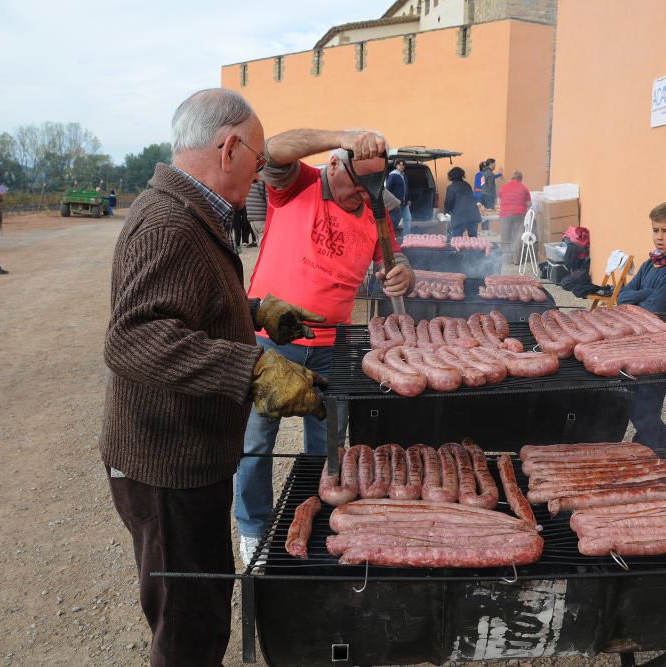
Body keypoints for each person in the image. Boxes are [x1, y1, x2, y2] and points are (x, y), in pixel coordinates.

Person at [100, 88, 330, 666]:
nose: (259, 173)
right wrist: (249, 365)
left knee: (200, 604)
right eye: (257, 159)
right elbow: (134, 339)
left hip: (186, 459)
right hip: (166, 466)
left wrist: (252, 313)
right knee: (189, 627)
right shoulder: (169, 224)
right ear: (228, 148)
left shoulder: (191, 211)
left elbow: (183, 307)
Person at [233, 128, 416, 564]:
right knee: (257, 442)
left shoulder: (375, 210)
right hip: (272, 339)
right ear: (334, 165)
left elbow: (394, 258)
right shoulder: (298, 184)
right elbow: (273, 150)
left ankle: (313, 517)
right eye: (356, 184)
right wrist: (344, 134)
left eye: (372, 187)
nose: (363, 195)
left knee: (330, 447)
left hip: (335, 345)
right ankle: (254, 527)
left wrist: (403, 273)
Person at [617, 202, 666, 455]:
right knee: (636, 399)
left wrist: (641, 296)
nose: (659, 237)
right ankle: (648, 446)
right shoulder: (651, 263)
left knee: (645, 404)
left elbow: (653, 308)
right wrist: (647, 293)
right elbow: (622, 297)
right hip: (640, 341)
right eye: (655, 230)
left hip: (661, 347)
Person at [497, 170, 532, 264]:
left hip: (505, 214)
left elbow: (499, 200)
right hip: (519, 214)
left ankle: (506, 259)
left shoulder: (504, 187)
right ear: (521, 179)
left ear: (511, 178)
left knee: (505, 235)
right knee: (517, 236)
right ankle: (516, 260)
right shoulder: (524, 188)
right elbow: (529, 204)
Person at [443, 166, 482, 237]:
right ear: (462, 175)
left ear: (451, 176)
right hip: (473, 214)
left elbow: (448, 203)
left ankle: (457, 248)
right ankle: (475, 248)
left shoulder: (451, 187)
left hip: (459, 217)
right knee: (473, 238)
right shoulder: (467, 185)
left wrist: (446, 212)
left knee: (457, 239)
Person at [385, 158, 412, 236]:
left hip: (404, 203)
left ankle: (406, 236)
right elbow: (387, 190)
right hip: (396, 203)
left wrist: (409, 199)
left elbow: (407, 188)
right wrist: (392, 201)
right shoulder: (393, 176)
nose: (402, 166)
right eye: (399, 165)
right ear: (396, 166)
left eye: (403, 165)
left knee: (408, 218)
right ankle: (391, 236)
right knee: (395, 221)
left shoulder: (404, 176)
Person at [245, 179, 267, 243]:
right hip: (262, 216)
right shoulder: (264, 175)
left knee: (260, 243)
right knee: (265, 246)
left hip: (251, 216)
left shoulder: (250, 174)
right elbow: (269, 200)